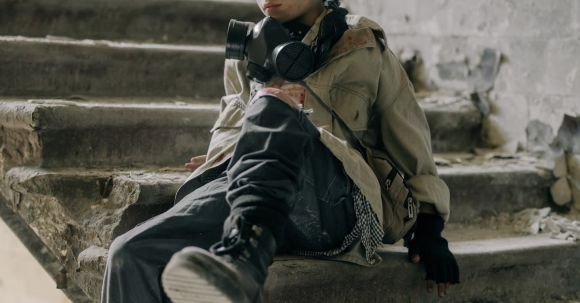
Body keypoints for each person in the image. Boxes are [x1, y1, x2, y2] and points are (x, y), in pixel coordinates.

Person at [100, 0, 460, 302]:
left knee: (274, 104)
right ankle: (241, 258)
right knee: (129, 255)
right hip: (253, 193)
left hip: (333, 201)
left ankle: (242, 257)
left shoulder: (364, 45)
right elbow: (229, 129)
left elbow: (411, 141)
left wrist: (430, 227)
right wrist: (231, 155)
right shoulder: (248, 48)